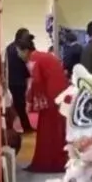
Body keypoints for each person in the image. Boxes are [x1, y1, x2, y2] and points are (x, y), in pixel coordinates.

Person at [16, 38, 69, 173]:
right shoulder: (43, 56)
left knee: (47, 130)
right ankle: (59, 161)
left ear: (25, 51)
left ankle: (46, 162)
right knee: (57, 129)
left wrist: (30, 101)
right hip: (60, 94)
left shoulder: (33, 60)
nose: (18, 55)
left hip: (52, 96)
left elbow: (36, 81)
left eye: (19, 52)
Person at [6, 29, 35, 134]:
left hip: (11, 80)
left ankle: (14, 128)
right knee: (20, 105)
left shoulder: (9, 48)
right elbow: (25, 65)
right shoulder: (20, 48)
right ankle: (25, 127)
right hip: (18, 81)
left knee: (14, 105)